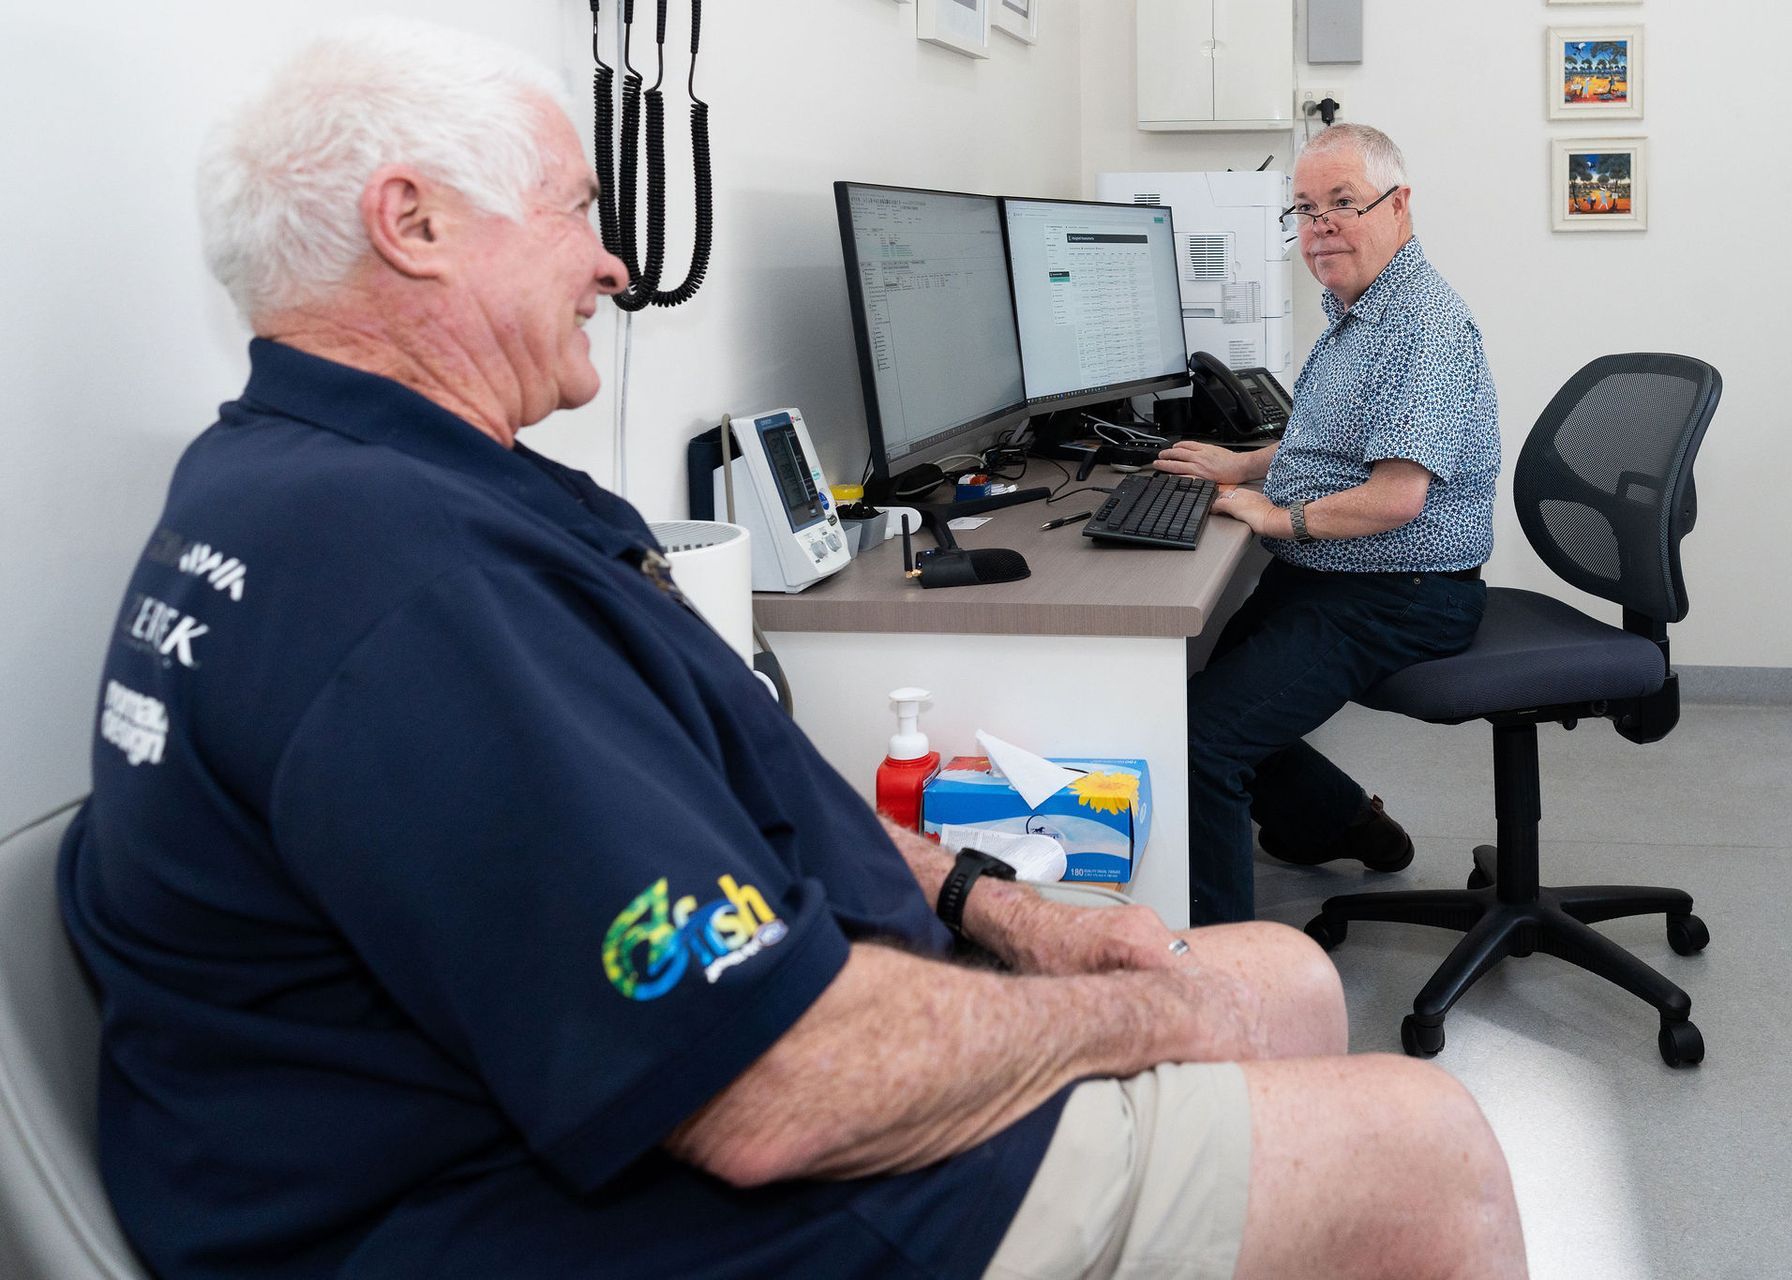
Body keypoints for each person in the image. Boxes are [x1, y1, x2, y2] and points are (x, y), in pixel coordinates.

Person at [58, 25, 1526, 1280]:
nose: (615, 260)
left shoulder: (344, 487)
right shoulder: (403, 580)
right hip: (624, 1199)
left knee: (1280, 978)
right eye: (576, 208)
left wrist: (986, 900)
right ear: (414, 223)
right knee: (1428, 1146)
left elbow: (691, 831)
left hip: (706, 1063)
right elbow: (772, 1090)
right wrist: (1125, 1017)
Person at [1158, 124, 1500, 927]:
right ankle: (1343, 824)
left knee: (1199, 742)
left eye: (1343, 203)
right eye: (1305, 209)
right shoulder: (1360, 308)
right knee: (1201, 701)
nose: (1320, 227)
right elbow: (1333, 441)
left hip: (1399, 591)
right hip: (1340, 574)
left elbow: (1394, 497)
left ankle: (1226, 988)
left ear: (1398, 204)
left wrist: (1276, 513)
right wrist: (1241, 467)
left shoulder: (1421, 325)